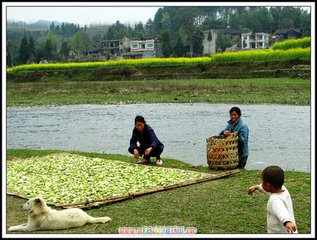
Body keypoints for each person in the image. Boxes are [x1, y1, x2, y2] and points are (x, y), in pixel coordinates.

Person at [248, 165, 298, 234]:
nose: (261, 183)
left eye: (262, 182)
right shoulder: (283, 189)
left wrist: (287, 222)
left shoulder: (275, 200)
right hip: (290, 231)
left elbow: (281, 211)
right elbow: (269, 190)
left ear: (268, 186)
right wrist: (257, 187)